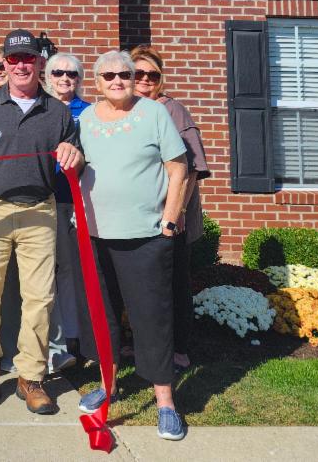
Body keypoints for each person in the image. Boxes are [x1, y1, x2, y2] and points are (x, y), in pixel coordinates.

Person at [0, 30, 82, 415]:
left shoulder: (58, 111)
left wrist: (73, 153)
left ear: (39, 62)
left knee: (40, 297)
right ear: (5, 64)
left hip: (39, 209)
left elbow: (76, 158)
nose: (21, 65)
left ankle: (32, 376)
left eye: (28, 58)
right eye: (14, 59)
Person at [74, 50, 190, 441]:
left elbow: (179, 167)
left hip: (145, 235)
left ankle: (165, 402)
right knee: (102, 316)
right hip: (94, 235)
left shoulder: (153, 113)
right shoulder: (86, 119)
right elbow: (78, 164)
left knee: (151, 318)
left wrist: (170, 218)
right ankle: (108, 386)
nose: (118, 81)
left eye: (125, 74)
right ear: (97, 82)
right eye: (108, 76)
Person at [130, 45, 209, 373]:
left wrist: (176, 214)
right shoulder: (126, 110)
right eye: (138, 74)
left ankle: (178, 350)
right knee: (143, 284)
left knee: (172, 284)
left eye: (153, 75)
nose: (145, 80)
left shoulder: (173, 110)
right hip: (138, 216)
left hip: (170, 215)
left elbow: (192, 168)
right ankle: (144, 345)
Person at [41, 52, 89, 376]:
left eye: (72, 74)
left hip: (73, 201)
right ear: (48, 76)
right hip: (42, 198)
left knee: (70, 270)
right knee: (45, 272)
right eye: (58, 72)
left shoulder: (89, 113)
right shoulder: (40, 109)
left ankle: (73, 338)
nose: (64, 78)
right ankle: (48, 342)